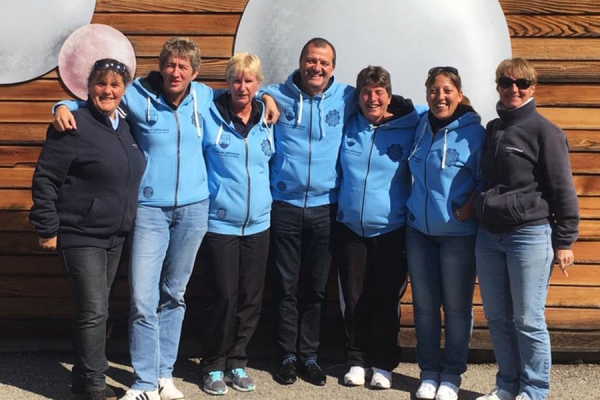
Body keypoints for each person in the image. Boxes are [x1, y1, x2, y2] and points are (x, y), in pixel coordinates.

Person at [54, 37, 213, 400]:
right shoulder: (136, 94)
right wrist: (60, 104)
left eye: (183, 67)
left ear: (194, 72)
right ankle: (143, 382)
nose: (175, 72)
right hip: (149, 211)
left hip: (193, 209)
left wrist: (267, 99)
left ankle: (164, 375)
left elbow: (243, 97)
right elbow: (94, 102)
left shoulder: (204, 97)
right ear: (161, 66)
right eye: (170, 64)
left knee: (174, 294)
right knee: (143, 299)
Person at [30, 58, 145, 400]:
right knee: (94, 310)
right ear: (88, 87)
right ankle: (94, 385)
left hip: (115, 235)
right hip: (81, 234)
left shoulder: (124, 126)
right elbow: (46, 179)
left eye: (115, 85)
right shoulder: (72, 125)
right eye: (100, 84)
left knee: (95, 309)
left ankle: (85, 377)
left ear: (124, 91)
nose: (107, 91)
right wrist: (47, 227)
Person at [474, 58, 579, 400]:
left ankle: (534, 390)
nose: (513, 89)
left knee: (528, 319)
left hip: (529, 236)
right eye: (506, 82)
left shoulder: (546, 132)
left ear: (532, 88)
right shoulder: (493, 128)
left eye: (521, 83)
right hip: (490, 237)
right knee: (498, 317)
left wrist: (564, 241)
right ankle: (507, 384)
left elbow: (563, 190)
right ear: (498, 86)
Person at [262, 37, 357, 386]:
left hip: (325, 207)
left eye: (324, 63)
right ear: (300, 61)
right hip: (284, 206)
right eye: (311, 60)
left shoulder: (347, 97)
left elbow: (388, 101)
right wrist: (266, 97)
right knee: (285, 286)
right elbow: (250, 93)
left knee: (316, 288)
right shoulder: (277, 94)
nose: (316, 68)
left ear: (333, 68)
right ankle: (287, 354)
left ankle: (310, 355)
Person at [335, 66, 419, 390]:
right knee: (352, 299)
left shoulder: (409, 123)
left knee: (386, 299)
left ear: (389, 95)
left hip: (391, 229)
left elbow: (445, 110)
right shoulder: (348, 125)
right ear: (358, 97)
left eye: (379, 92)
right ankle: (356, 360)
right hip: (349, 229)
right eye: (366, 93)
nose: (372, 98)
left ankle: (383, 364)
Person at [405, 66, 485, 400]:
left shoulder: (475, 133)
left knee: (455, 307)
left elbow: (485, 181)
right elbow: (391, 103)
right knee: (424, 305)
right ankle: (428, 371)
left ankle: (451, 373)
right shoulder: (420, 125)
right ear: (426, 94)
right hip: (419, 232)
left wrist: (466, 210)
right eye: (434, 90)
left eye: (447, 90)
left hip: (458, 234)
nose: (440, 97)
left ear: (460, 94)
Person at [197, 52, 274, 395]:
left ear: (259, 84)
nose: (242, 87)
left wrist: (270, 99)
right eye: (236, 80)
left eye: (249, 80)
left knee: (249, 298)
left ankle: (237, 361)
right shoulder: (209, 114)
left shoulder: (268, 119)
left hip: (259, 223)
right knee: (223, 296)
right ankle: (212, 364)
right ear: (226, 82)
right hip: (220, 223)